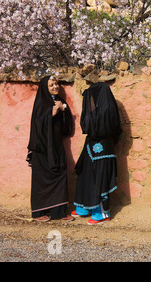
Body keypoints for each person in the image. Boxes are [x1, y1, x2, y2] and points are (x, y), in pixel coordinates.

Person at [72, 82, 122, 225]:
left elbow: (94, 127)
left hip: (102, 151)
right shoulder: (97, 111)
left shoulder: (106, 111)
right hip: (90, 148)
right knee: (85, 175)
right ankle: (83, 206)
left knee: (98, 180)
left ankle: (101, 213)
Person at [27, 75, 74, 222]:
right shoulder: (41, 103)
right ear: (45, 88)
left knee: (60, 174)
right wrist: (52, 112)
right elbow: (37, 125)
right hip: (41, 148)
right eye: (51, 85)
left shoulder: (61, 102)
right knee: (41, 180)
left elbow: (66, 128)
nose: (55, 87)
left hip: (56, 146)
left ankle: (58, 212)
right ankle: (38, 213)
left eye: (56, 84)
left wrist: (63, 110)